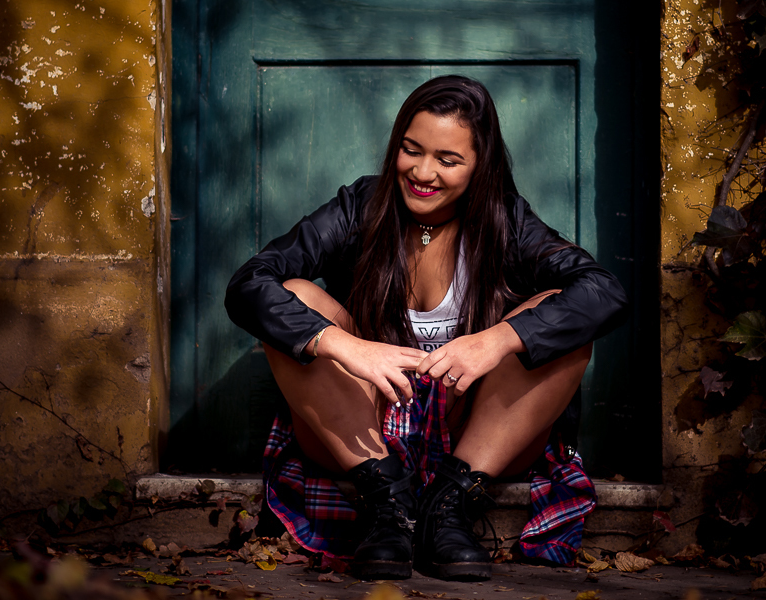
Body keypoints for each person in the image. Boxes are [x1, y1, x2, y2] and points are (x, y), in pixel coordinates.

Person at [225, 75, 627, 582]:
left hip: (470, 429)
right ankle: (387, 500)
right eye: (410, 150)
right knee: (296, 296)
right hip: (365, 422)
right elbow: (248, 284)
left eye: (448, 160)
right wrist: (349, 348)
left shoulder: (506, 222)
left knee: (557, 311)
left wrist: (495, 340)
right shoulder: (361, 207)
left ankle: (447, 504)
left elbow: (605, 292)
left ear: (481, 165)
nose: (422, 172)